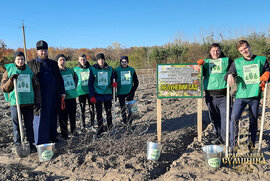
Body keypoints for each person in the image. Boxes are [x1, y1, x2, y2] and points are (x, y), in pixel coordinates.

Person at [227, 40, 270, 150]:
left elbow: (268, 70)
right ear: (239, 52)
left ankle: (251, 144)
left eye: (245, 48)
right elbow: (229, 72)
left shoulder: (261, 60)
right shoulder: (237, 62)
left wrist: (267, 74)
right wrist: (230, 75)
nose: (244, 51)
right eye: (241, 50)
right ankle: (233, 144)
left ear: (249, 47)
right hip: (241, 96)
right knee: (234, 118)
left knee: (253, 120)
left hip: (255, 96)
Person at [1, 51, 40, 152]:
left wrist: (37, 100)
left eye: (22, 59)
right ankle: (18, 144)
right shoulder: (8, 71)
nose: (20, 61)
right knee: (16, 125)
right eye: (18, 59)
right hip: (15, 103)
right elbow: (4, 88)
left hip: (28, 102)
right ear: (15, 60)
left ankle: (31, 143)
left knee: (29, 125)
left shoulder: (29, 70)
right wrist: (11, 80)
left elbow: (36, 86)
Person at [28, 40, 65, 145]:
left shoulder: (53, 64)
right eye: (41, 51)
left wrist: (62, 91)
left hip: (53, 95)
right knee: (40, 118)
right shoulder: (31, 64)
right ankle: (41, 140)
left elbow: (59, 79)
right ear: (37, 52)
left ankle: (52, 137)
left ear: (47, 51)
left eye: (45, 50)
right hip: (39, 96)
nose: (43, 52)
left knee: (52, 116)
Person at [197, 43, 233, 144]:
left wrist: (230, 73)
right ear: (210, 52)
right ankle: (219, 136)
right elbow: (199, 74)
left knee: (226, 117)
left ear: (220, 51)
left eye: (217, 50)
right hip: (210, 96)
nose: (215, 52)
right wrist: (199, 66)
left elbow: (234, 67)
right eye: (213, 51)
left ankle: (226, 139)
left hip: (224, 95)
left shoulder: (227, 60)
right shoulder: (206, 62)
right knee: (214, 118)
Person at [89, 53, 117, 135]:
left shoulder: (110, 69)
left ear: (104, 60)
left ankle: (110, 127)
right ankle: (100, 128)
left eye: (102, 59)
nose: (101, 61)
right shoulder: (93, 69)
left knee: (108, 112)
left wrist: (113, 84)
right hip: (97, 94)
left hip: (107, 94)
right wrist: (91, 95)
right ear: (97, 60)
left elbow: (113, 78)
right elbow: (90, 83)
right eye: (99, 59)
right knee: (99, 112)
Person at [56, 54, 78, 139]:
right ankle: (64, 134)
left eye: (63, 60)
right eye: (60, 60)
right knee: (63, 117)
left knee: (73, 116)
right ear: (57, 62)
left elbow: (76, 78)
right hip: (62, 98)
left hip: (72, 97)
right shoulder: (56, 72)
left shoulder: (70, 70)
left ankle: (73, 131)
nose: (62, 61)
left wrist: (74, 87)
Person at [115, 56, 139, 126]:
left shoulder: (131, 70)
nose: (124, 63)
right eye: (122, 61)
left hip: (130, 92)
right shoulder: (117, 70)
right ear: (120, 62)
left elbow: (136, 82)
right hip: (120, 93)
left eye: (125, 61)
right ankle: (125, 122)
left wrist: (133, 91)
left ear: (127, 62)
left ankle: (130, 122)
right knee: (123, 109)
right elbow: (114, 81)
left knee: (131, 109)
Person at [73, 54, 95, 131]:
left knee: (91, 108)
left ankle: (92, 125)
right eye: (81, 59)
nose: (83, 61)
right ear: (79, 60)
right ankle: (83, 126)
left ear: (86, 59)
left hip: (90, 92)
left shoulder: (91, 68)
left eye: (84, 59)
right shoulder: (75, 69)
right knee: (82, 109)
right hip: (80, 92)